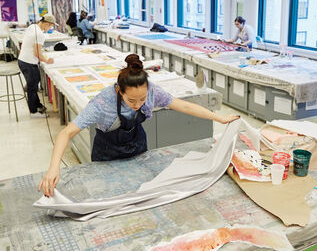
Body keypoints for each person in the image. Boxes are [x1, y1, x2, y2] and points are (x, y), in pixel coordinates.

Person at [39, 54, 240, 197]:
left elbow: (183, 105)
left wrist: (219, 118)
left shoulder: (152, 90)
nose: (138, 105)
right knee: (110, 196)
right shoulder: (103, 103)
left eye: (142, 99)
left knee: (142, 192)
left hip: (138, 148)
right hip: (107, 154)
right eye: (131, 101)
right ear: (119, 91)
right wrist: (53, 168)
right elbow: (67, 133)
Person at [18, 14, 56, 118]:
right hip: (28, 62)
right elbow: (37, 53)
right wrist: (47, 60)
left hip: (23, 60)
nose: (50, 29)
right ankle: (33, 112)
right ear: (47, 24)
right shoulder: (40, 34)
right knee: (32, 87)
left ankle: (37, 104)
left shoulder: (33, 26)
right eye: (50, 26)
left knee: (35, 81)